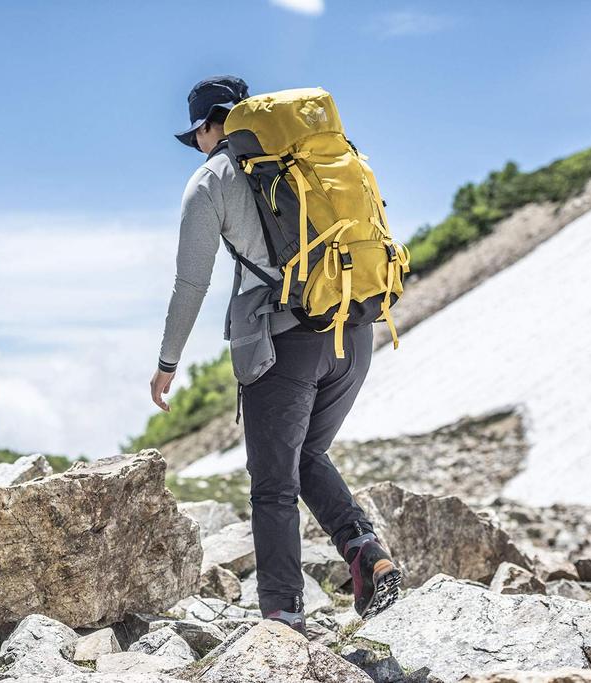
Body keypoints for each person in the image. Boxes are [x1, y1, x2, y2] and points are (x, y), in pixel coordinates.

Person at [150, 76, 402, 634]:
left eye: (195, 134)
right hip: (355, 330)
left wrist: (168, 362)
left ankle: (282, 619)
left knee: (272, 485)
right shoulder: (317, 157)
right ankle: (367, 554)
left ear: (206, 127)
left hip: (283, 345)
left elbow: (190, 283)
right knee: (307, 454)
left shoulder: (211, 178)